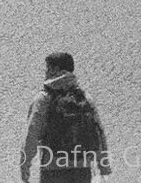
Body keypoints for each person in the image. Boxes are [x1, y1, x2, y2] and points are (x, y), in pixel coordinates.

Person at [19, 51, 111, 183]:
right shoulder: (84, 98)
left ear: (54, 69)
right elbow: (98, 132)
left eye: (47, 69)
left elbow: (32, 134)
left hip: (53, 168)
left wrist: (25, 165)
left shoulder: (44, 98)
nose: (45, 73)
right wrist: (104, 166)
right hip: (82, 169)